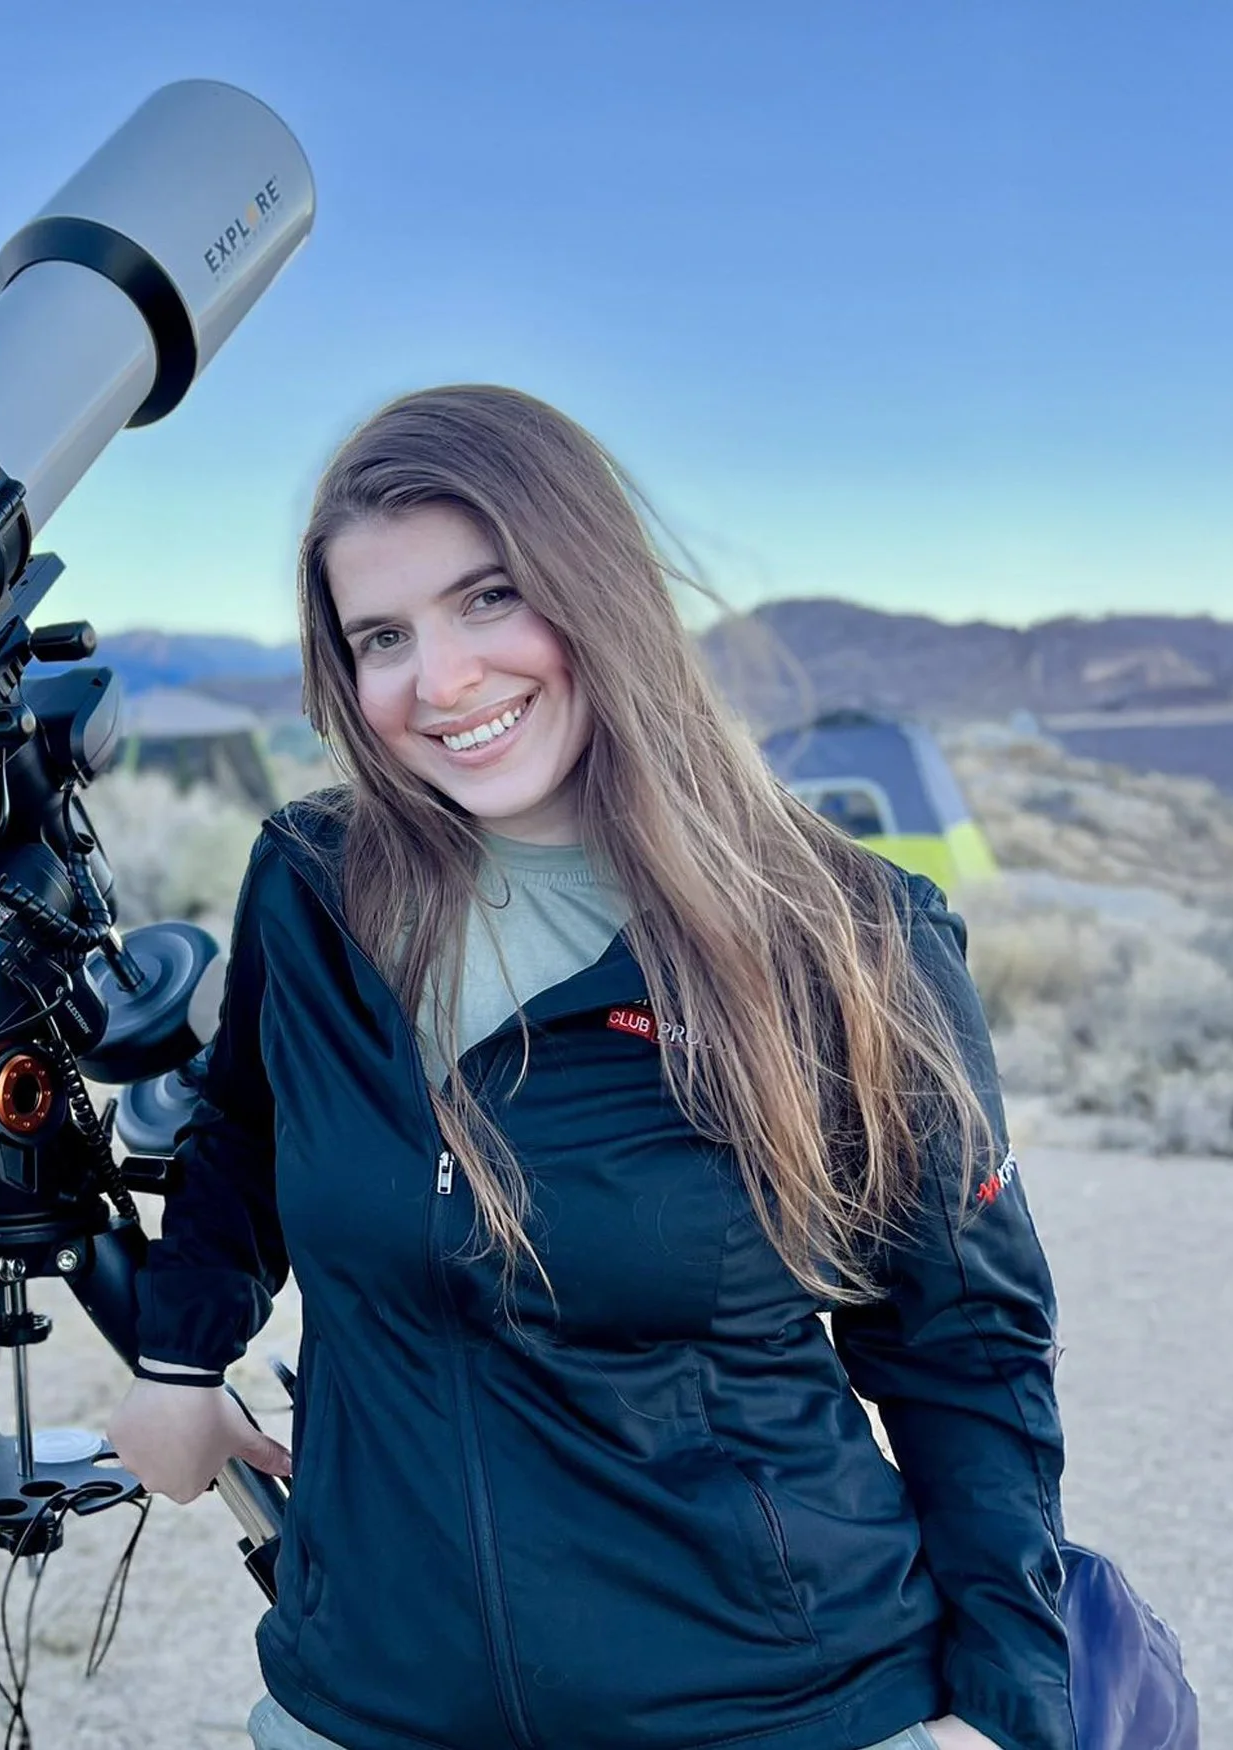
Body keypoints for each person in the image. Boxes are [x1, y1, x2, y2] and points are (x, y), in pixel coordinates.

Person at [106, 387, 1068, 1750]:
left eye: (488, 598)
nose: (442, 681)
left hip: (774, 1710)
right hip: (369, 1700)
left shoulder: (845, 935)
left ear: (594, 586)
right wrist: (179, 1355)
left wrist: (1010, 1708)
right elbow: (248, 1134)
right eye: (383, 637)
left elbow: (968, 1350)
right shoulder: (314, 889)